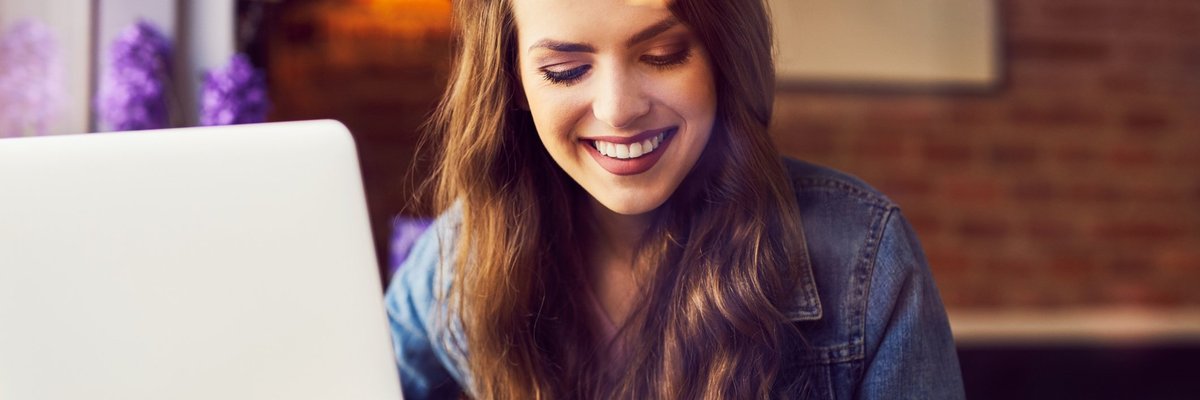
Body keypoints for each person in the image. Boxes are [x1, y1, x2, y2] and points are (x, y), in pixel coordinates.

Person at [385, 0, 965, 398]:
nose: (618, 109)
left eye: (662, 56)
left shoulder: (863, 257)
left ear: (724, 57)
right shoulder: (459, 256)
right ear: (513, 83)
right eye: (565, 70)